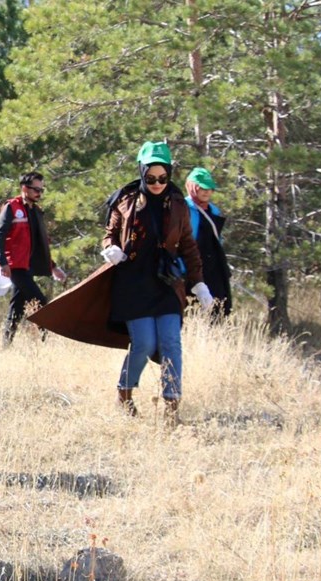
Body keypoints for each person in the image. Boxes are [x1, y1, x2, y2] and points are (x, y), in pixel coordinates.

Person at [101, 142, 213, 422]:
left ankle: (172, 409)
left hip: (167, 282)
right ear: (141, 172)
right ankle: (124, 393)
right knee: (145, 343)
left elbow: (188, 245)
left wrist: (199, 284)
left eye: (163, 178)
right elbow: (110, 233)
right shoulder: (125, 201)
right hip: (134, 283)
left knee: (171, 342)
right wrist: (110, 249)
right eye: (151, 178)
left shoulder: (177, 204)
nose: (157, 183)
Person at [0, 172, 64, 346]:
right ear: (24, 188)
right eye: (36, 189)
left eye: (41, 189)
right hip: (15, 266)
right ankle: (45, 342)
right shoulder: (12, 207)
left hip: (28, 267)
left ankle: (5, 345)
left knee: (17, 307)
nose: (39, 193)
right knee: (40, 301)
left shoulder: (37, 211)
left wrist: (53, 266)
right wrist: (2, 261)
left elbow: (41, 244)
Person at [184, 167, 232, 318]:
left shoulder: (214, 211)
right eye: (202, 187)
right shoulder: (182, 207)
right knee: (190, 308)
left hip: (212, 267)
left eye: (210, 188)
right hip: (189, 265)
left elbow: (217, 240)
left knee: (218, 308)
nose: (207, 192)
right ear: (193, 186)